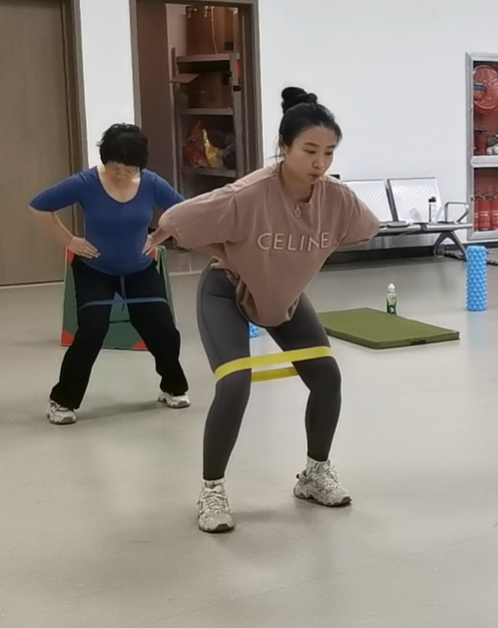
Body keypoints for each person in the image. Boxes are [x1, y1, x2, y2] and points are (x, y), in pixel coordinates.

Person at [150, 87, 381, 533]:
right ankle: (212, 490)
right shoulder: (249, 193)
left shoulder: (337, 198)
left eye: (329, 152)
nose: (319, 162)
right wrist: (186, 241)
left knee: (327, 377)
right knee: (236, 383)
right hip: (227, 291)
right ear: (284, 147)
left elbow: (366, 228)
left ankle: (314, 474)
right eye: (309, 151)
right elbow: (177, 219)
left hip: (285, 298)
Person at [29, 123, 190, 424]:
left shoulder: (152, 183)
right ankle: (62, 401)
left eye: (129, 169)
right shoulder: (86, 182)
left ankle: (172, 386)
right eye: (116, 168)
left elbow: (184, 212)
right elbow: (39, 206)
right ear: (105, 161)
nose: (122, 175)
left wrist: (157, 237)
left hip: (140, 269)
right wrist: (70, 241)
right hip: (95, 270)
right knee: (92, 331)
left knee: (163, 330)